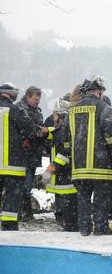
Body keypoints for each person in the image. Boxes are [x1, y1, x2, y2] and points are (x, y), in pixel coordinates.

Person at [53, 76, 112, 236]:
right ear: (98, 91)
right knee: (101, 199)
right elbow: (111, 134)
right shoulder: (103, 107)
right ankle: (100, 228)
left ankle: (84, 228)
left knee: (83, 198)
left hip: (79, 167)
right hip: (101, 166)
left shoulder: (72, 110)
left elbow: (66, 139)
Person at [0, 83, 42, 230]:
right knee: (12, 199)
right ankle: (9, 226)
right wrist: (42, 131)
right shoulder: (15, 109)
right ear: (11, 94)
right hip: (13, 164)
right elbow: (30, 131)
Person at [42, 95, 78, 231]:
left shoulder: (63, 131)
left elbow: (63, 155)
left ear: (60, 115)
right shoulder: (61, 129)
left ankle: (71, 227)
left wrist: (50, 169)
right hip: (64, 176)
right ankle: (69, 225)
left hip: (66, 176)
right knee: (65, 204)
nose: (52, 116)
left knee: (68, 206)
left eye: (55, 113)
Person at [16, 86, 47, 221]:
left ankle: (26, 212)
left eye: (39, 99)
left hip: (33, 153)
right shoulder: (21, 110)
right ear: (28, 97)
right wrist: (40, 131)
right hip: (23, 153)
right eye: (35, 99)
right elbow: (27, 129)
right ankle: (22, 212)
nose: (37, 101)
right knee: (23, 185)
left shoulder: (35, 111)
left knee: (27, 185)